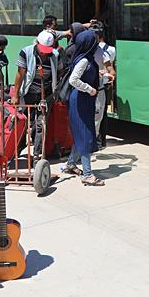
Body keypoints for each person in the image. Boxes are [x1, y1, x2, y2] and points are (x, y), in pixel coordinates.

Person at [63, 30, 103, 186]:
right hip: (80, 100)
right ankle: (87, 174)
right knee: (85, 135)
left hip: (84, 100)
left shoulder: (85, 58)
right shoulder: (84, 61)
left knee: (81, 133)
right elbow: (74, 80)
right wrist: (89, 88)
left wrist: (101, 77)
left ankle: (71, 164)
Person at [12, 30, 61, 154]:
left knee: (41, 124)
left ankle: (37, 154)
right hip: (29, 93)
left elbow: (60, 71)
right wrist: (16, 95)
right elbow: (20, 74)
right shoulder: (26, 52)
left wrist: (55, 90)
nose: (44, 53)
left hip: (46, 94)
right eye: (42, 49)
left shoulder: (55, 55)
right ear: (37, 43)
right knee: (23, 121)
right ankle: (16, 148)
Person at [92, 23, 115, 149]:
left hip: (98, 87)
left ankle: (96, 141)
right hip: (97, 87)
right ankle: (100, 141)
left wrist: (104, 74)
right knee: (100, 115)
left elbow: (111, 72)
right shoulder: (110, 50)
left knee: (97, 116)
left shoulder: (101, 53)